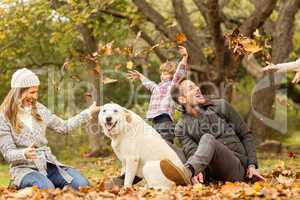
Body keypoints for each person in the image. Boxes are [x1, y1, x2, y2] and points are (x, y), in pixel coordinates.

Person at [0, 68, 100, 190]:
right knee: (46, 189)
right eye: (31, 92)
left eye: (36, 92)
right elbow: (8, 153)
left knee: (82, 185)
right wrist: (24, 153)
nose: (35, 96)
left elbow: (64, 127)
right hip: (24, 170)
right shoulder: (4, 116)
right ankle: (23, 187)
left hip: (48, 166)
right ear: (18, 92)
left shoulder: (40, 109)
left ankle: (52, 184)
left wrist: (87, 113)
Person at [159, 79, 265, 185]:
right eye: (191, 88)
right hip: (211, 171)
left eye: (196, 86)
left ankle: (188, 172)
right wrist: (199, 171)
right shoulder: (181, 127)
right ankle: (189, 174)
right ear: (182, 99)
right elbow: (192, 150)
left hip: (236, 167)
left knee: (207, 138)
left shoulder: (220, 106)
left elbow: (245, 135)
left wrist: (252, 165)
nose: (197, 89)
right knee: (166, 145)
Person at [126, 46, 188, 144]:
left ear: (171, 76)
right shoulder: (157, 87)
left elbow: (179, 73)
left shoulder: (172, 86)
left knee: (167, 145)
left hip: (165, 121)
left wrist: (185, 57)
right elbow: (149, 84)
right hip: (155, 122)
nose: (163, 76)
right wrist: (140, 76)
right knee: (156, 146)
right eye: (162, 73)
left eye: (166, 74)